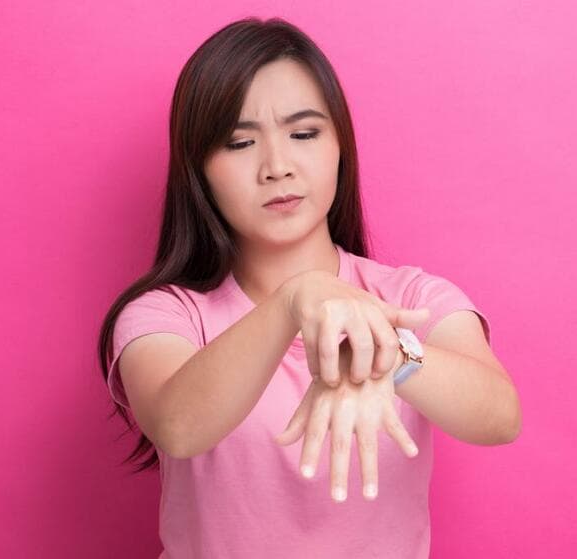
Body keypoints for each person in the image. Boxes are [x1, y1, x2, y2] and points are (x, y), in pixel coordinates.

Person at [97, 16, 521, 559]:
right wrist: (299, 299)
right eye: (239, 142)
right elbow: (178, 428)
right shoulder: (167, 314)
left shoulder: (413, 297)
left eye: (303, 134)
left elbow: (499, 416)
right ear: (198, 169)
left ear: (340, 147)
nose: (277, 167)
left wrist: (386, 350)